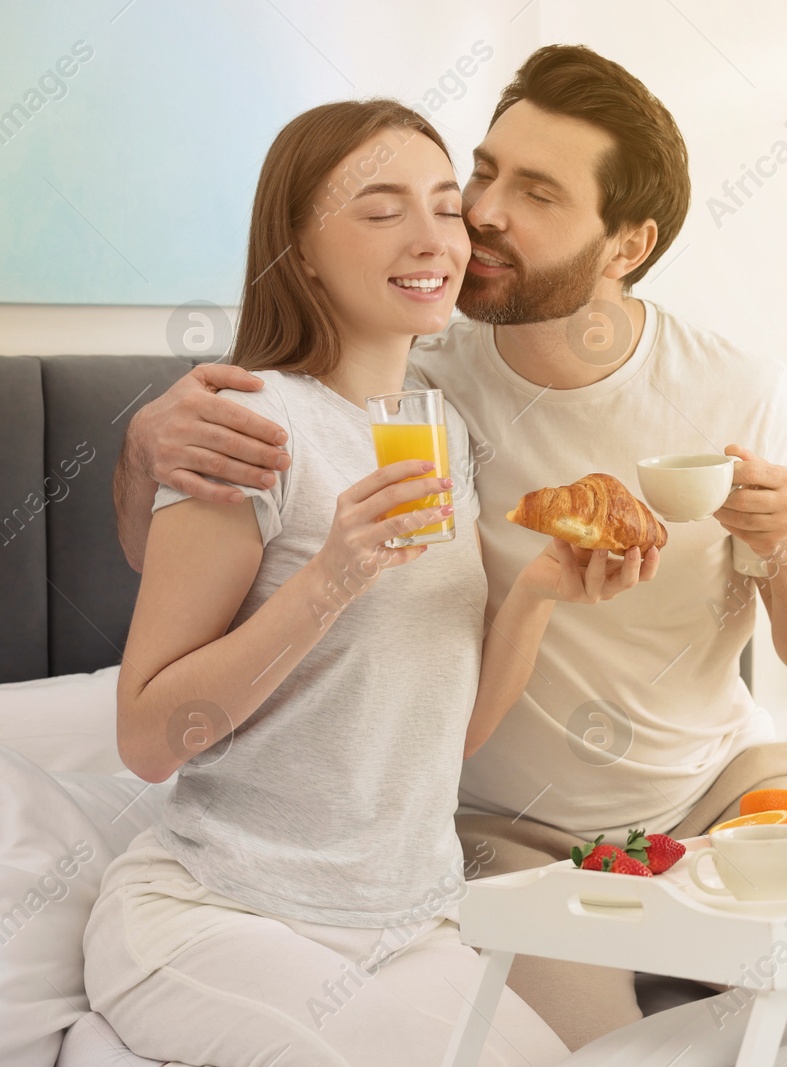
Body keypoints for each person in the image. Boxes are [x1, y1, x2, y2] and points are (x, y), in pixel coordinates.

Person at [112, 45, 787, 1048]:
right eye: (482, 176)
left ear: (625, 245)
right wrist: (139, 447)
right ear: (301, 246)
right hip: (450, 850)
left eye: (533, 192)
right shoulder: (347, 402)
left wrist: (762, 545)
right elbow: (164, 664)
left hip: (680, 801)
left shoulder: (683, 395)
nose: (472, 220)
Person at [86, 98, 658, 1067]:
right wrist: (331, 577)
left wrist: (537, 593)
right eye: (380, 209)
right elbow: (147, 738)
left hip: (409, 925)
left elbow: (445, 733)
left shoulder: (435, 425)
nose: (434, 236)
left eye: (445, 205)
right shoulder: (249, 424)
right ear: (300, 248)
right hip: (222, 915)